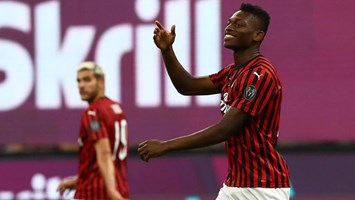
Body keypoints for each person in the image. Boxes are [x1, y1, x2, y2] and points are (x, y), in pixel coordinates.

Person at [138, 3, 290, 200]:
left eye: (239, 24)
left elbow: (224, 130)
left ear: (257, 36)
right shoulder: (232, 72)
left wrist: (166, 146)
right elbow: (187, 86)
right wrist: (167, 50)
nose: (229, 27)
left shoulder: (260, 74)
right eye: (229, 23)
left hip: (263, 187)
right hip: (234, 184)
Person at [57, 62, 130, 200]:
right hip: (120, 188)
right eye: (78, 81)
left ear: (101, 81)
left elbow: (104, 152)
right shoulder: (116, 108)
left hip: (94, 192)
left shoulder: (92, 113)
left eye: (87, 80)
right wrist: (78, 180)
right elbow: (107, 159)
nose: (81, 85)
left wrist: (110, 189)